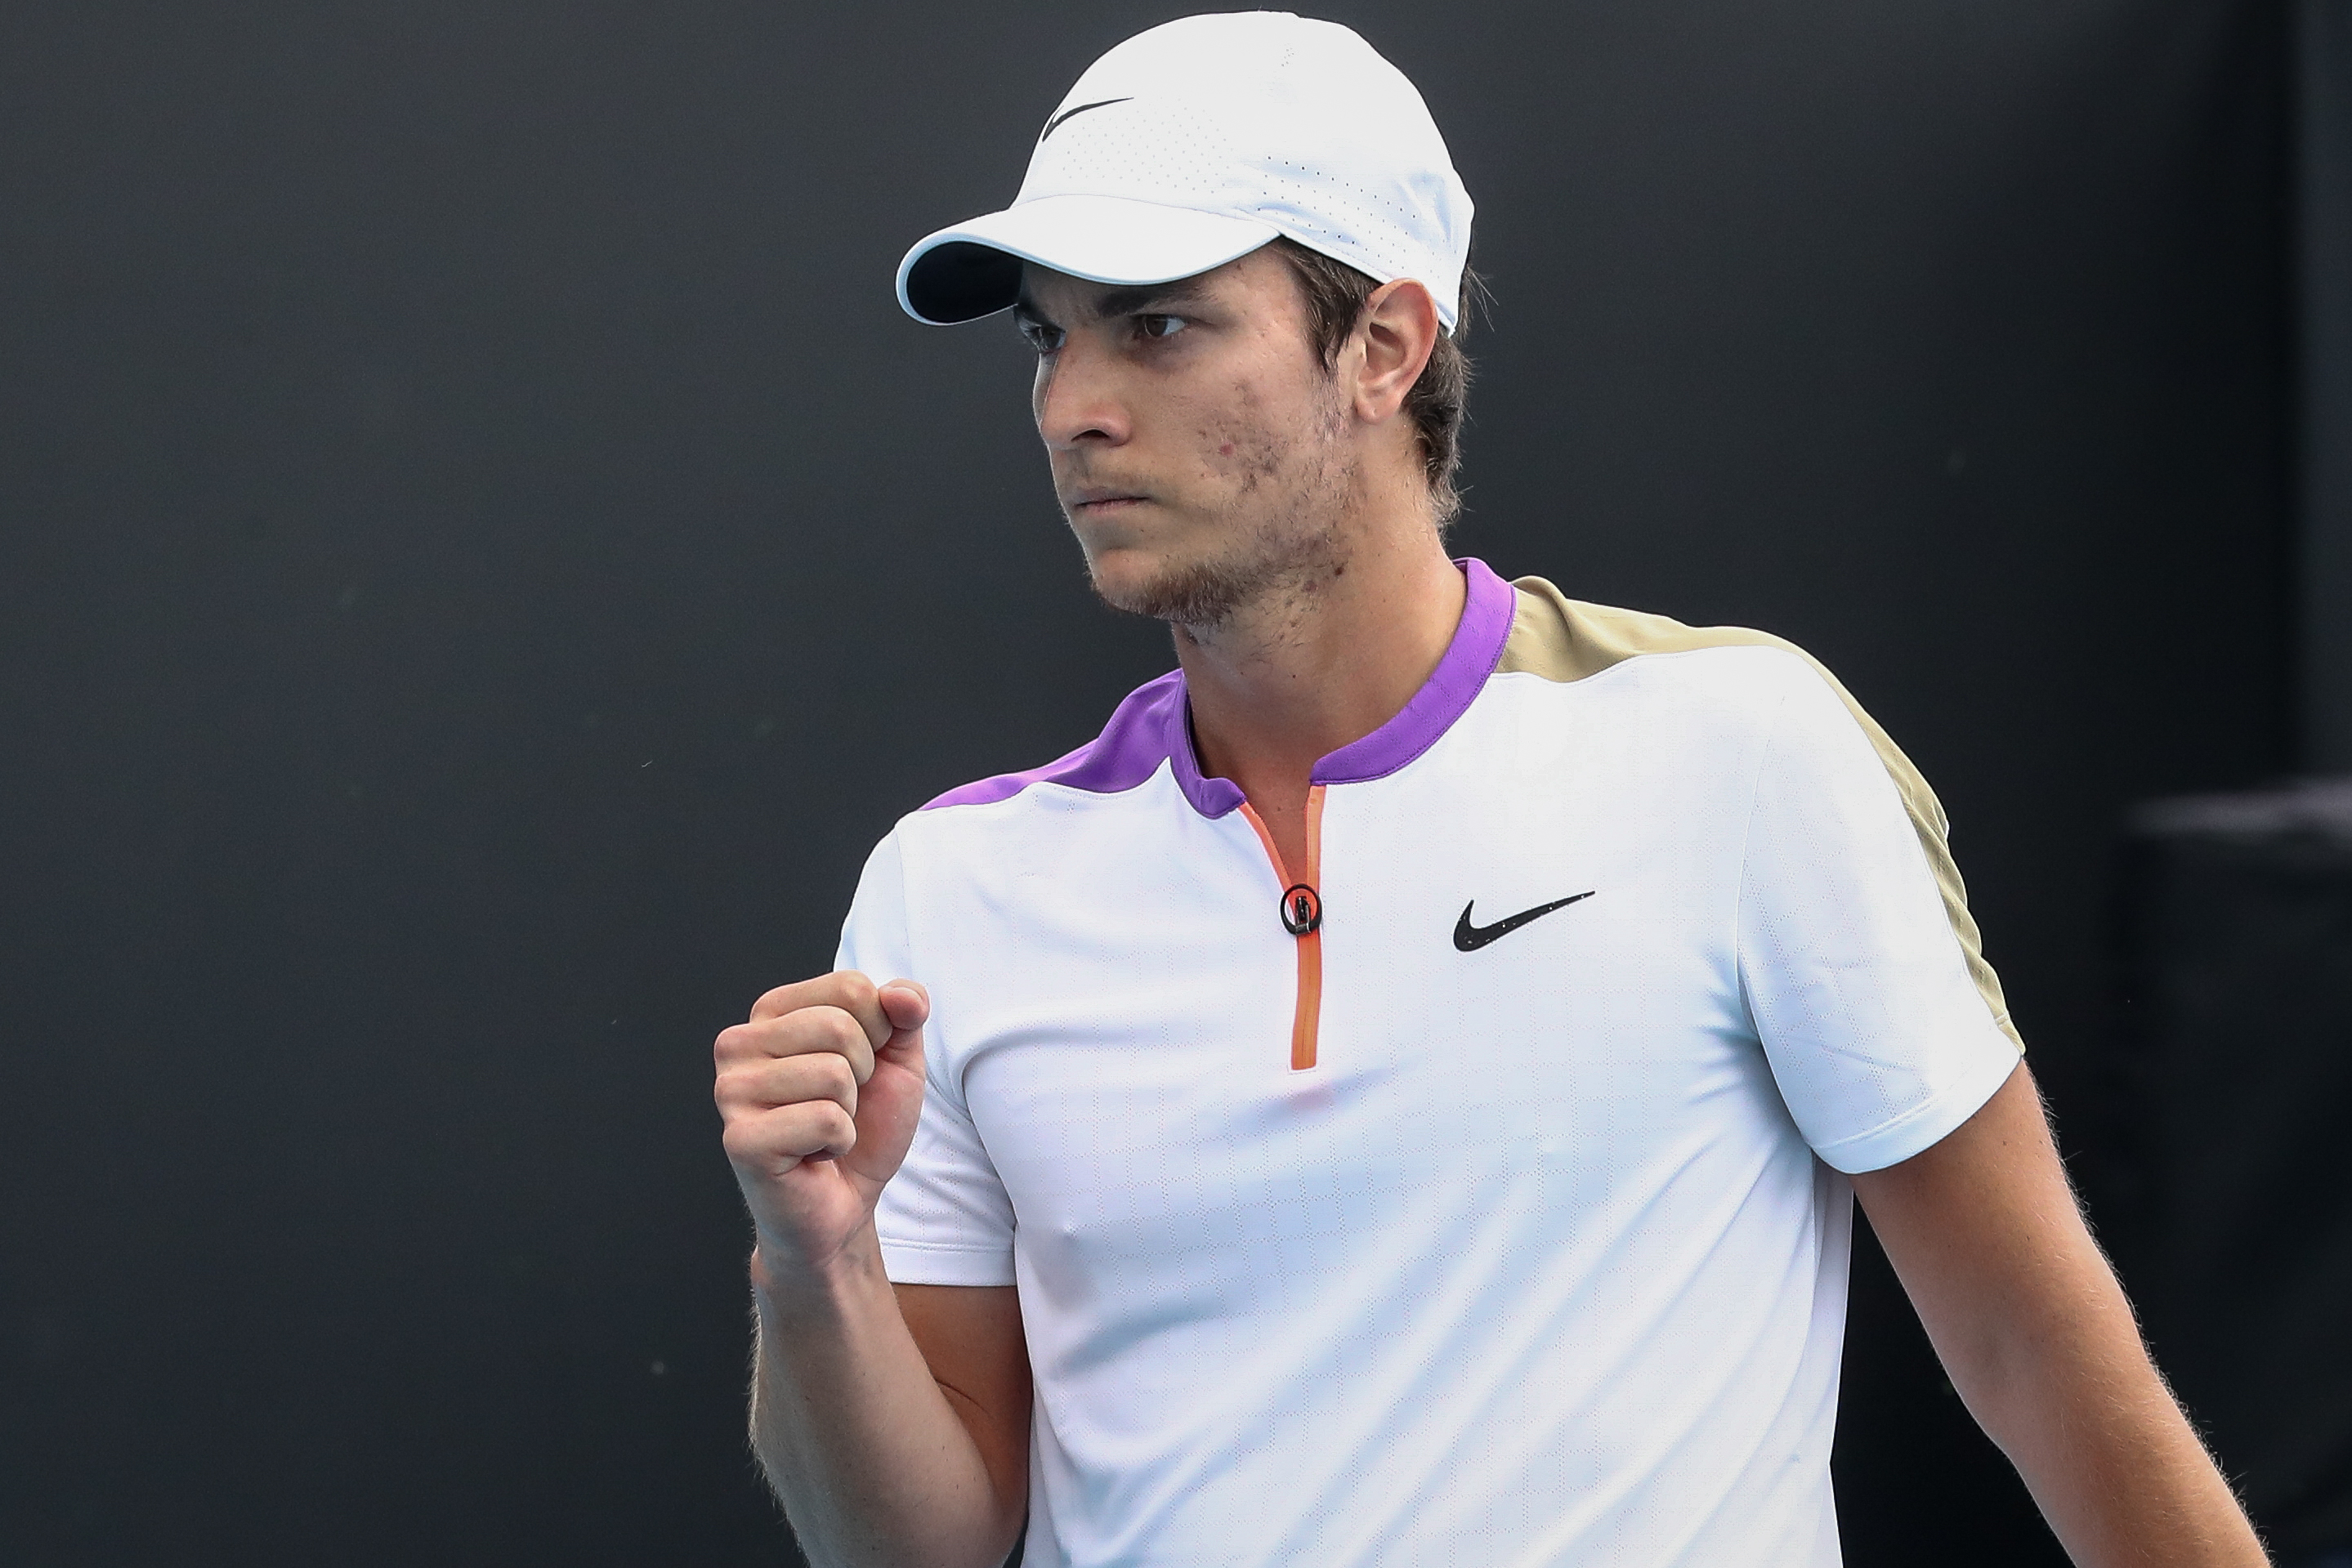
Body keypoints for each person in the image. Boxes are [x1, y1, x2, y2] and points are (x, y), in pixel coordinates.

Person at [712, 13, 2269, 1567]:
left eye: (1158, 325)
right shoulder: (951, 884)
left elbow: (2037, 1354)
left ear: (1383, 346)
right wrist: (814, 1264)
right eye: (1050, 336)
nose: (1073, 406)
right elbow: (915, 1550)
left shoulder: (1737, 749)